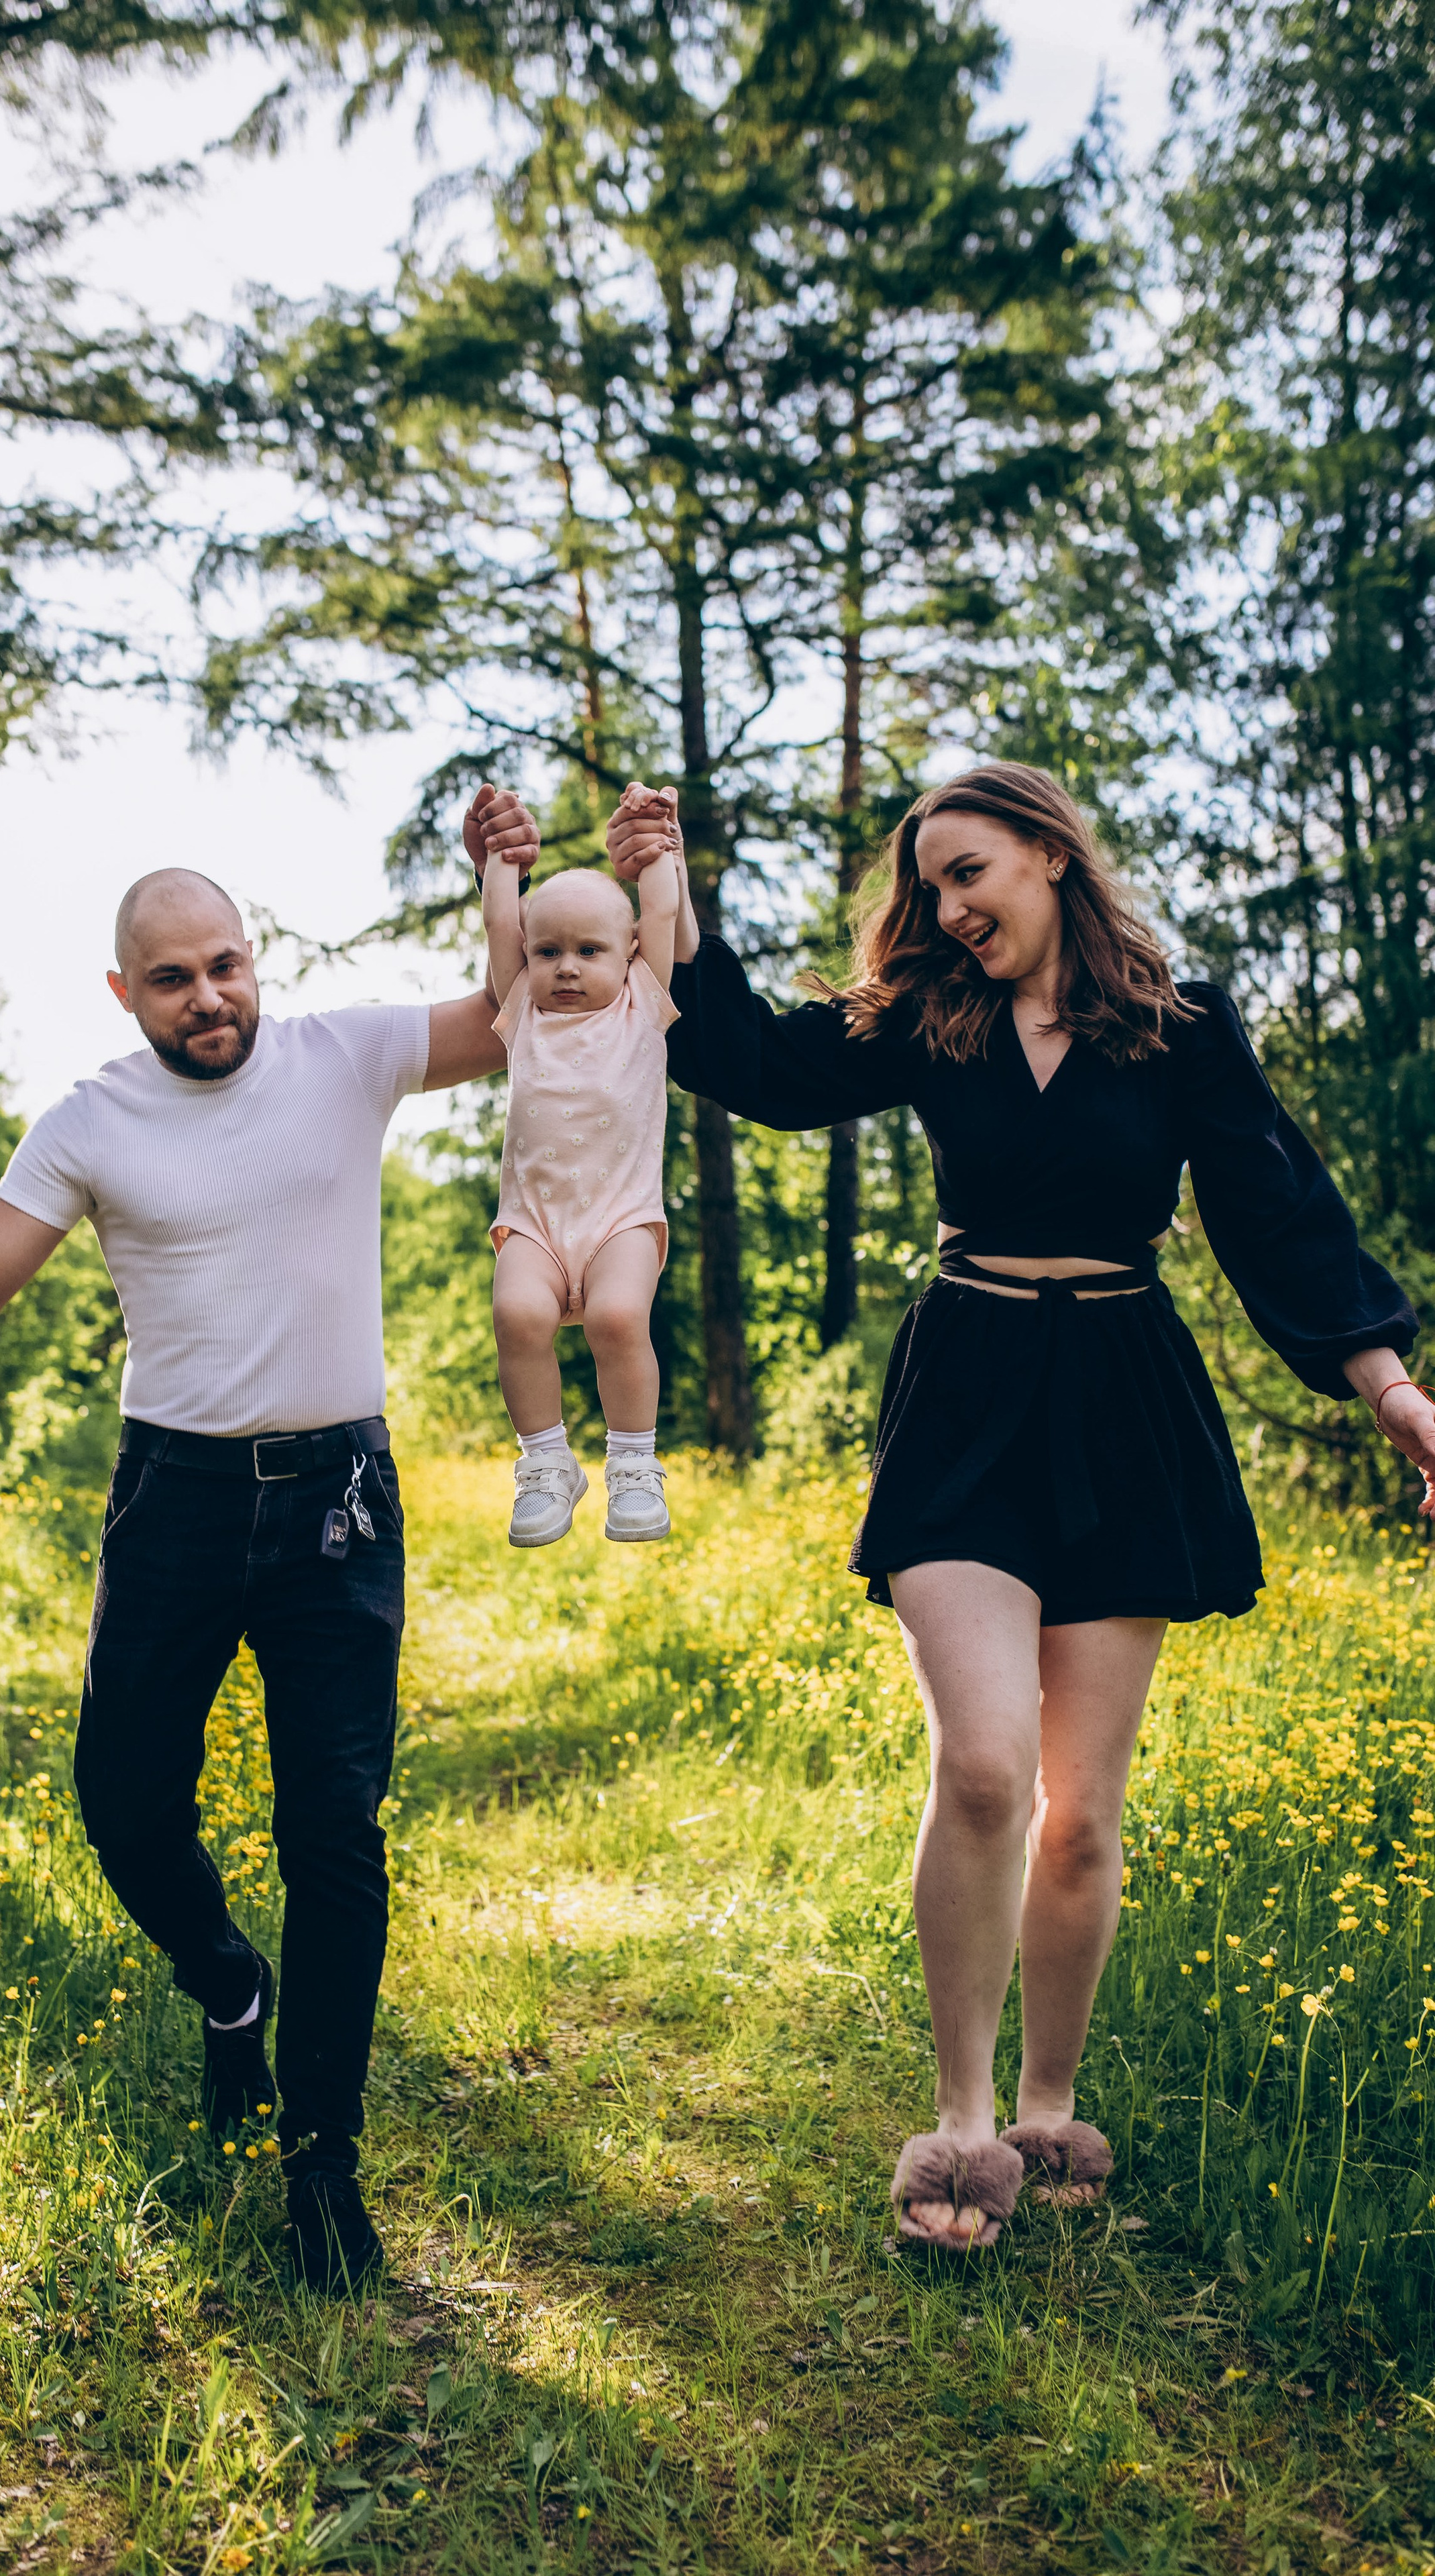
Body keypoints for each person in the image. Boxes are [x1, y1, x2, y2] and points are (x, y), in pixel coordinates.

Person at [608, 761, 1435, 2250]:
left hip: (1123, 1403)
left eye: (968, 873)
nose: (945, 908)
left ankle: (1052, 2108)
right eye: (929, 885)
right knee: (987, 1770)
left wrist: (1390, 1395)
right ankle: (963, 2126)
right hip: (967, 1395)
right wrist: (662, 882)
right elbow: (758, 1066)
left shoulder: (1178, 1027)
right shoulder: (932, 1018)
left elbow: (1278, 1216)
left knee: (1080, 1818)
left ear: (1050, 855)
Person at [0, 786, 538, 2292]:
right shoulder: (92, 1121)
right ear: (123, 991)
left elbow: (514, 1013)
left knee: (334, 1829)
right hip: (178, 1500)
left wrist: (505, 880)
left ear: (251, 958)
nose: (208, 997)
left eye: (225, 965)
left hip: (339, 1500)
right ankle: (228, 1987)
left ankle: (323, 2165)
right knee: (124, 1803)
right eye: (173, 978)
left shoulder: (347, 1056)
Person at [482, 787, 691, 1546]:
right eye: (548, 952)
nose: (566, 968)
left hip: (620, 1219)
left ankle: (633, 1465)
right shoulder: (523, 1013)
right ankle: (546, 1463)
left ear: (628, 951)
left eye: (589, 951)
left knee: (617, 1318)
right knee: (516, 1315)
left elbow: (660, 911)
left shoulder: (643, 1003)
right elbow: (500, 923)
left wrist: (656, 841)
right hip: (535, 1222)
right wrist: (502, 858)